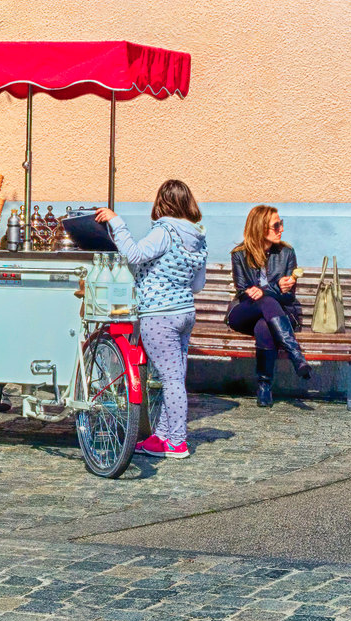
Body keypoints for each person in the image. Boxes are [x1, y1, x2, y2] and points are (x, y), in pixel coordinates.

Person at [97, 179, 208, 459]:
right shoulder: (198, 236)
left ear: (162, 202)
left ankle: (177, 442)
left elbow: (134, 254)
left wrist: (116, 222)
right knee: (175, 377)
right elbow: (197, 285)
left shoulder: (165, 231)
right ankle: (162, 436)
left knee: (170, 380)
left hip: (160, 315)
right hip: (185, 311)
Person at [227, 204, 311, 406]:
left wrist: (266, 290)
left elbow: (288, 297)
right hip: (243, 314)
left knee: (264, 325)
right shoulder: (239, 254)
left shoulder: (287, 253)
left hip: (273, 315)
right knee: (264, 300)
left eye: (281, 224)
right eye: (276, 225)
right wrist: (272, 289)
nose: (281, 229)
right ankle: (296, 355)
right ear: (260, 228)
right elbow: (243, 291)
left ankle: (264, 388)